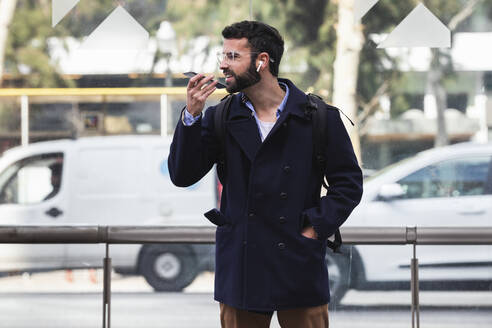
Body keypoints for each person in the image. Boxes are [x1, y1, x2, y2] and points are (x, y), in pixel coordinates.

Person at [168, 21, 363, 328]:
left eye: (233, 56)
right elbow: (182, 174)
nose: (222, 65)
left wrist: (314, 227)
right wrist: (191, 115)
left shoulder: (318, 117)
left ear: (262, 61)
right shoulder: (220, 116)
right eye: (223, 55)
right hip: (243, 266)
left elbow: (348, 185)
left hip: (298, 262)